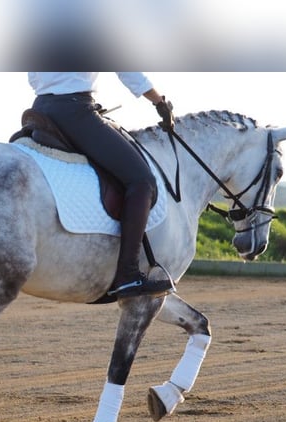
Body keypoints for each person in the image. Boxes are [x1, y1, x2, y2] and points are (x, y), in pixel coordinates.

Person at [27, 72, 175, 298]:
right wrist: (160, 102)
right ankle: (128, 275)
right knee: (142, 182)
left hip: (40, 110)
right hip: (75, 112)